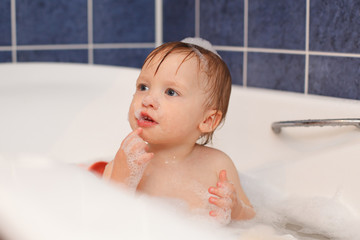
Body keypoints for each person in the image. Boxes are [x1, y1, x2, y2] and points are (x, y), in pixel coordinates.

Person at [94, 38, 255, 224]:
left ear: (207, 120)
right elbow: (105, 221)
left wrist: (235, 210)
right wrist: (121, 179)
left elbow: (252, 219)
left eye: (170, 92)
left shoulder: (218, 165)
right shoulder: (126, 163)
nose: (148, 99)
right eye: (143, 87)